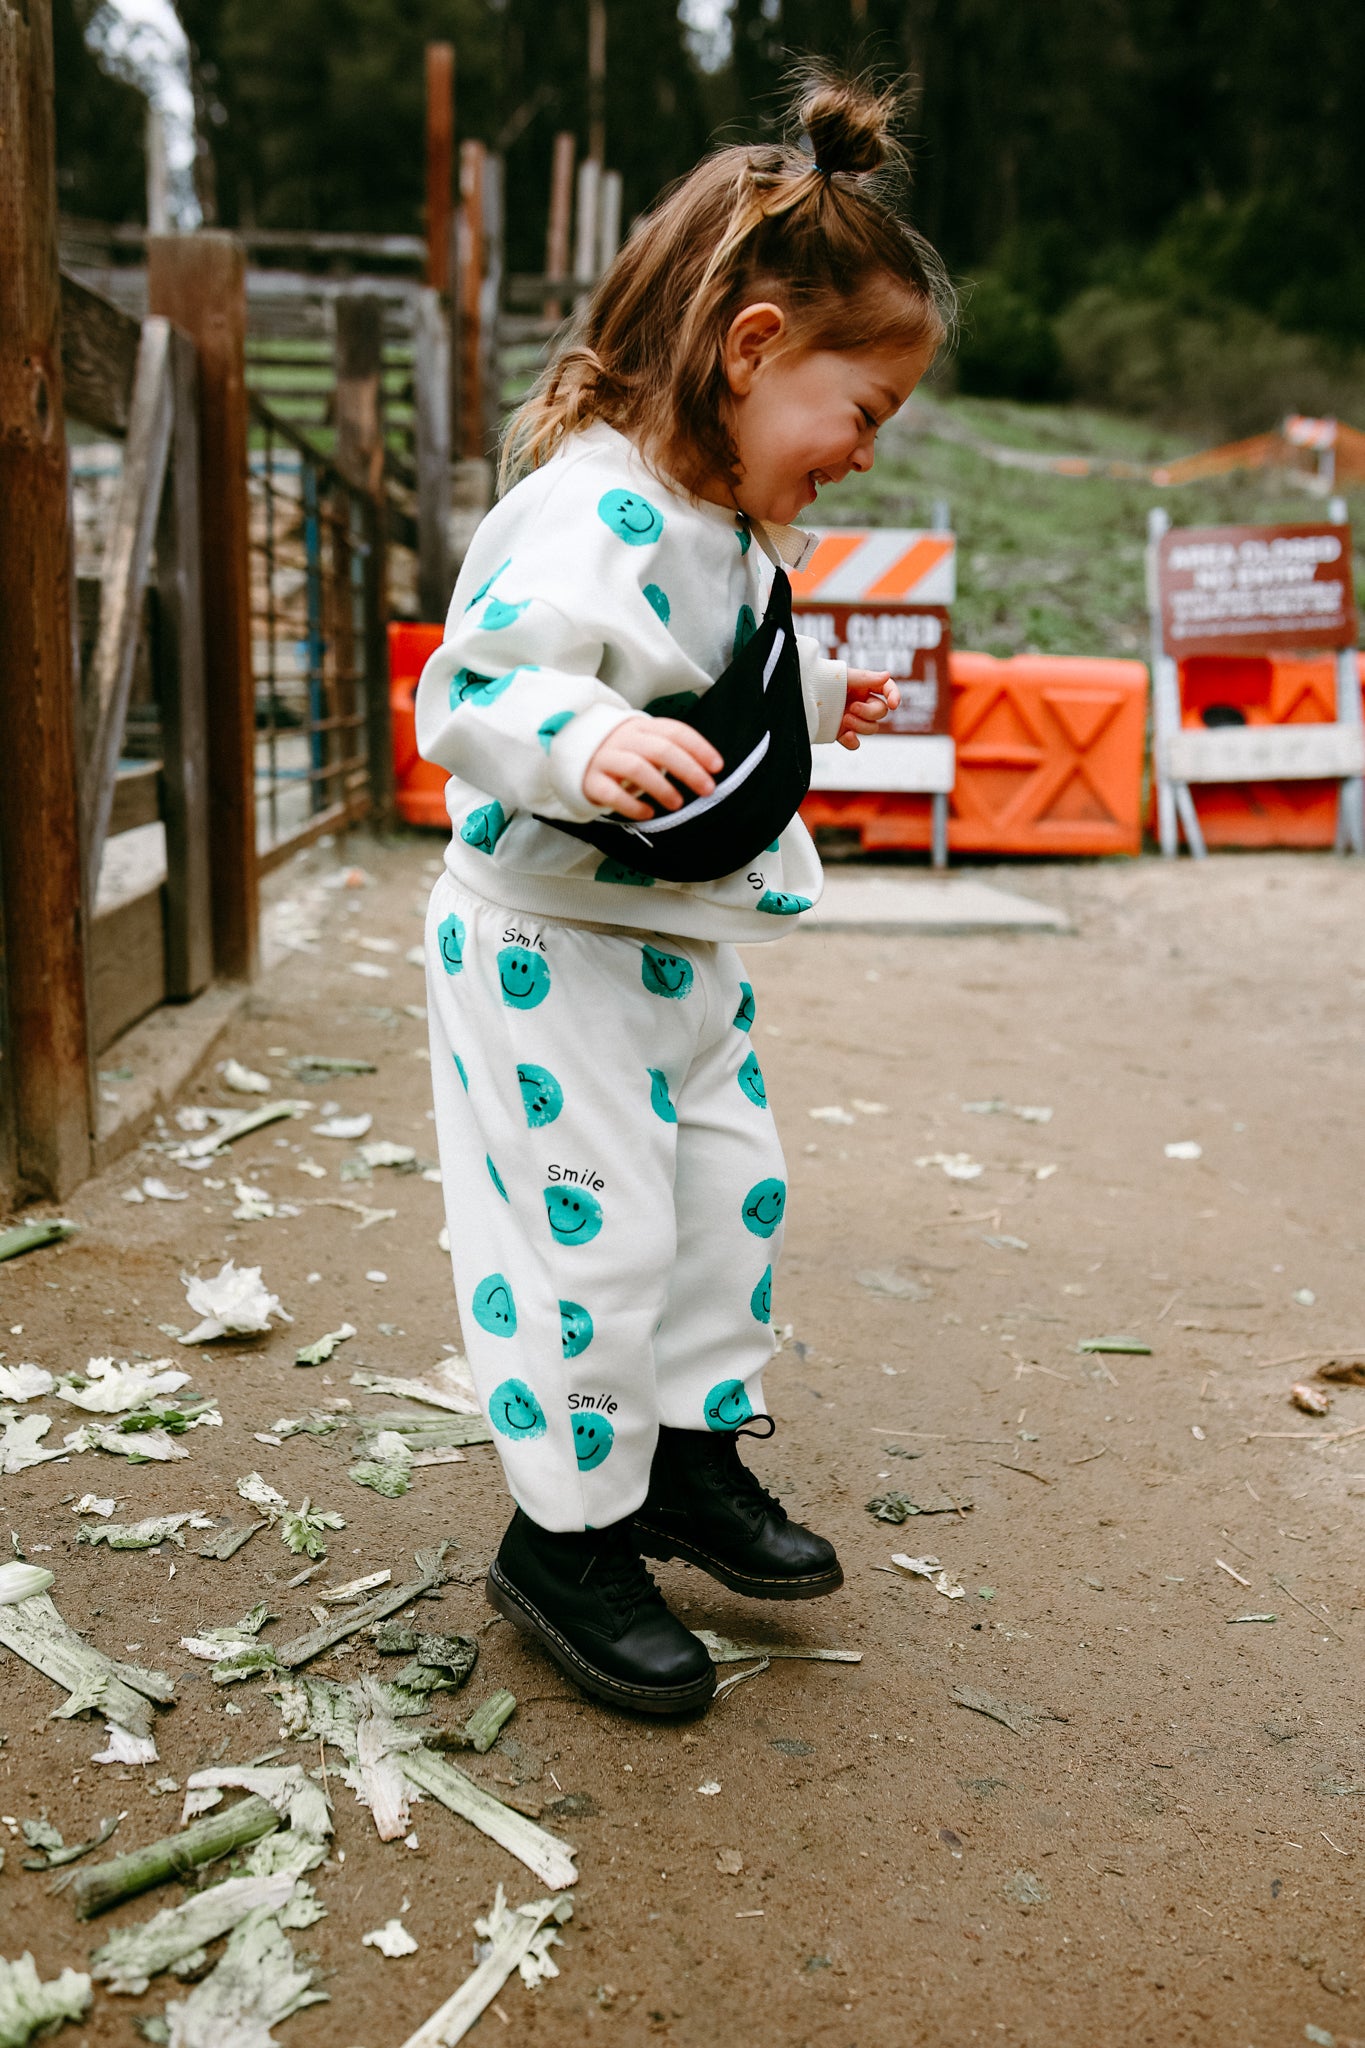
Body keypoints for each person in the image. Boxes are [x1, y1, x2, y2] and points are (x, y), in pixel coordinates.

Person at [416, 67, 954, 1716]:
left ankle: (680, 1458)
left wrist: (815, 707)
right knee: (599, 1232)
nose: (861, 455)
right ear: (752, 347)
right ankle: (560, 1531)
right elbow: (476, 690)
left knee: (731, 1202)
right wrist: (574, 744)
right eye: (858, 413)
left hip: (676, 953)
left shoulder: (731, 532)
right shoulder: (585, 506)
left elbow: (713, 690)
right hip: (545, 948)